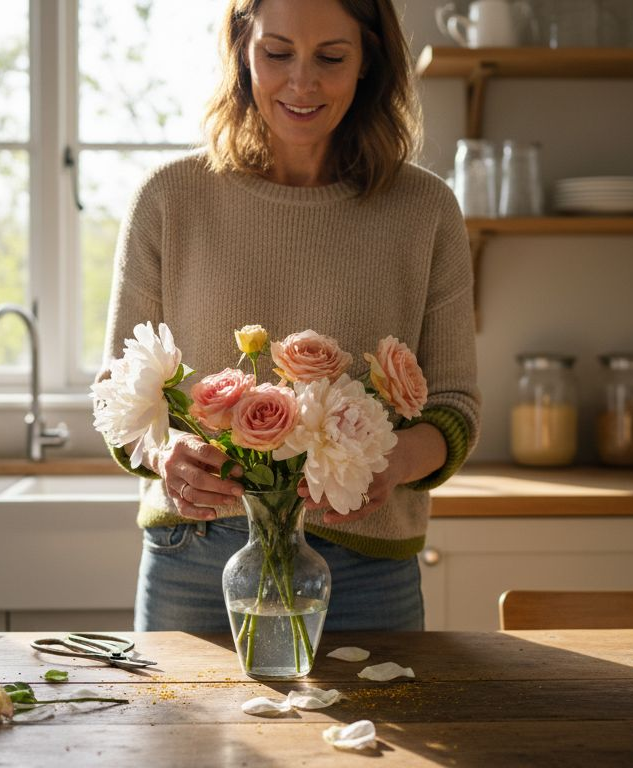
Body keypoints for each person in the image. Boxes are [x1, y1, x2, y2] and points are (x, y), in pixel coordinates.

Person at [100, 0, 479, 632]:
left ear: (369, 64)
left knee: (381, 736)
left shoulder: (426, 210)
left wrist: (396, 463)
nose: (301, 83)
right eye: (278, 53)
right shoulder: (168, 199)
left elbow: (455, 405)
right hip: (193, 560)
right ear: (243, 53)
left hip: (367, 567)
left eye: (331, 57)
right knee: (181, 734)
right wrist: (165, 454)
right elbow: (119, 397)